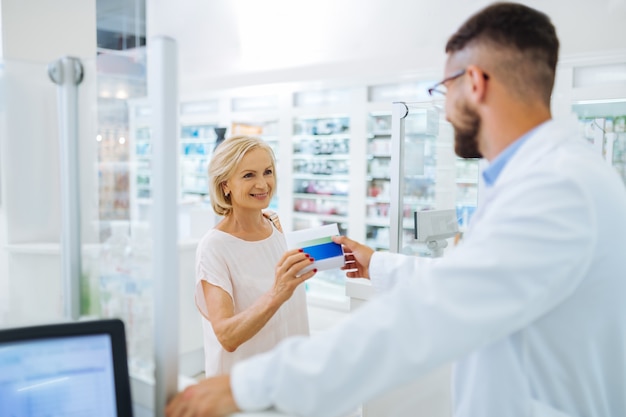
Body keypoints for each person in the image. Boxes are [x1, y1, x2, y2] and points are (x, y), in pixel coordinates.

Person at [167, 3, 626, 417]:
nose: (444, 110)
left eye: (443, 88)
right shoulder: (556, 175)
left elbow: (430, 312)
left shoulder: (552, 189)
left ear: (474, 83)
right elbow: (462, 284)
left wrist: (250, 386)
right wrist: (376, 263)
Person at [194, 135, 316, 377]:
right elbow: (227, 336)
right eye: (249, 175)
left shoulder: (274, 225)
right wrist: (278, 292)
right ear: (225, 184)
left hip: (290, 376)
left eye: (267, 172)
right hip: (245, 389)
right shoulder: (214, 247)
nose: (263, 184)